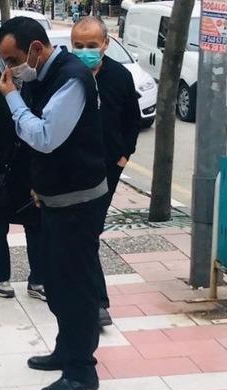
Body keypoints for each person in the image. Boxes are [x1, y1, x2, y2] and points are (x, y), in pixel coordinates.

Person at [0, 17, 108, 390]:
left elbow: (45, 137)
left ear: (36, 49)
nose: (9, 69)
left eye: (12, 59)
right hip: (56, 201)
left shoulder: (72, 78)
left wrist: (11, 98)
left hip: (79, 203)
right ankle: (66, 350)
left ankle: (82, 370)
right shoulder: (44, 75)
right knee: (58, 284)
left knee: (76, 286)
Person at [72, 17, 140, 327]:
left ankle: (98, 302)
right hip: (73, 166)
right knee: (81, 233)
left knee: (88, 232)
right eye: (78, 46)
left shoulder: (120, 76)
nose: (85, 52)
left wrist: (124, 156)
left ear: (105, 44)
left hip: (108, 168)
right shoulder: (67, 76)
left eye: (91, 46)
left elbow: (132, 119)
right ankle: (84, 294)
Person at [0, 60, 47, 301]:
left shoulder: (37, 82)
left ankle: (38, 279)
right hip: (1, 169)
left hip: (30, 168)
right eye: (11, 59)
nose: (17, 64)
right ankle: (0, 277)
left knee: (35, 224)